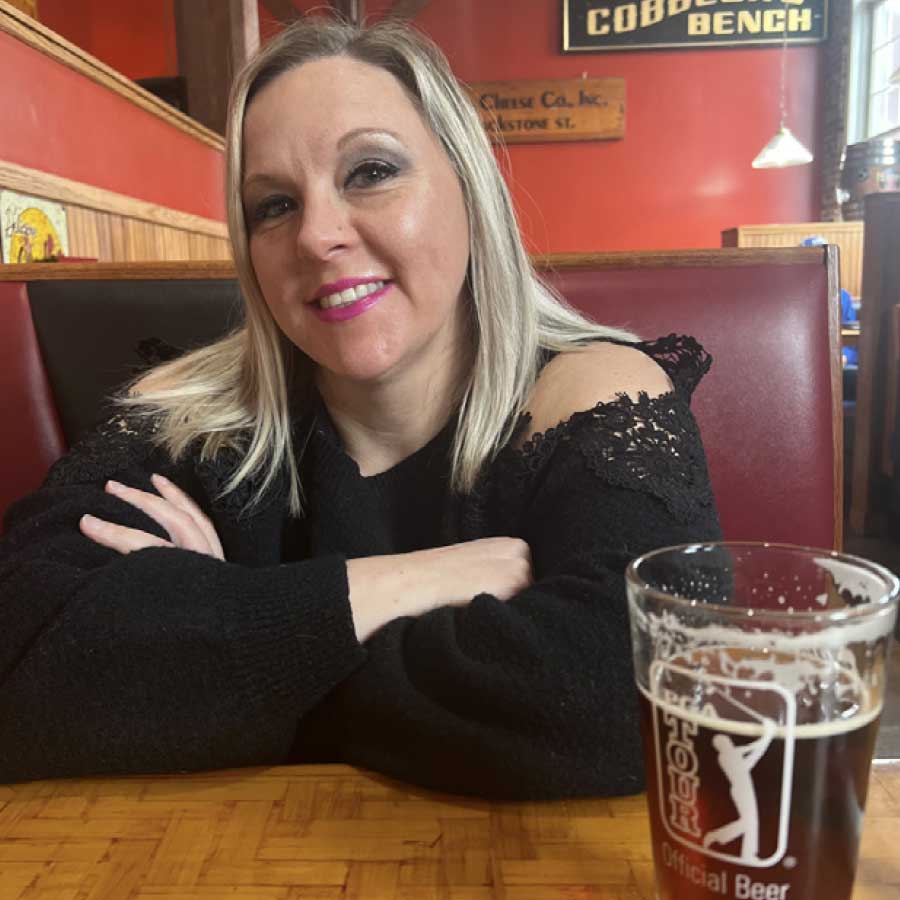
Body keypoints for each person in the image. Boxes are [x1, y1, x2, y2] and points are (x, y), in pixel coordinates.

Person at [0, 17, 721, 798]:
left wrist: (214, 647)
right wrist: (404, 584)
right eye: (273, 205)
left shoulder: (592, 397)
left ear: (469, 192)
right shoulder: (186, 414)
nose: (316, 236)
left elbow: (636, 701)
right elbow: (20, 661)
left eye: (370, 171)